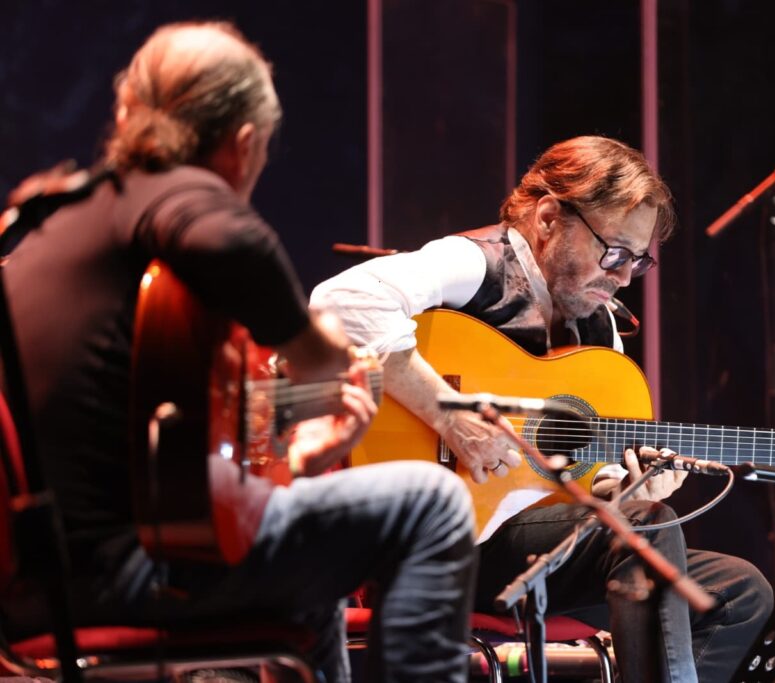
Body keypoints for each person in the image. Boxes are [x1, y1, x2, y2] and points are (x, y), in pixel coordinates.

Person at [1, 22, 476, 683]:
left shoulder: (48, 218)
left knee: (316, 568)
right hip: (140, 573)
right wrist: (323, 355)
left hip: (34, 583)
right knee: (430, 499)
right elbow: (229, 246)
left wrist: (298, 461)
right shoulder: (187, 201)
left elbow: (140, 444)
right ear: (243, 143)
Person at [311, 135, 775, 682]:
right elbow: (339, 302)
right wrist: (449, 414)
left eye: (638, 260)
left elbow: (574, 490)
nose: (624, 276)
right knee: (649, 530)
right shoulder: (476, 264)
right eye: (615, 252)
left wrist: (624, 490)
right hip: (437, 542)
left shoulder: (601, 330)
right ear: (551, 217)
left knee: (738, 590)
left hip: (528, 549)